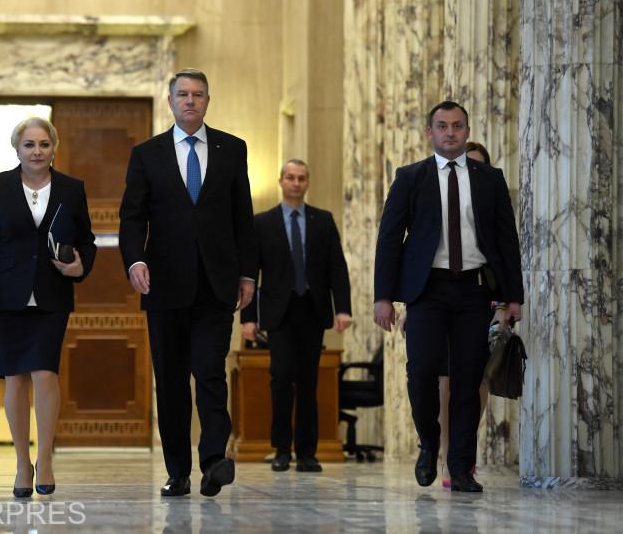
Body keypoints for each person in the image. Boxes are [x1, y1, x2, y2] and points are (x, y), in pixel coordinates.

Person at [118, 68, 257, 497]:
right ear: (171, 101)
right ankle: (177, 471)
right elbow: (131, 217)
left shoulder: (233, 148)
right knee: (172, 380)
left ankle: (214, 461)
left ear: (208, 101)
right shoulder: (147, 154)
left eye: (198, 94)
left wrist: (247, 273)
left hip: (216, 284)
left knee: (211, 372)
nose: (190, 101)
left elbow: (242, 216)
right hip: (164, 285)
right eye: (183, 94)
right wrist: (134, 260)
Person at [373, 101, 523, 493]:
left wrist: (513, 297)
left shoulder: (489, 179)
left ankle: (460, 467)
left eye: (457, 126)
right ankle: (428, 442)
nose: (450, 133)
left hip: (474, 290)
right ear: (430, 132)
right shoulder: (410, 177)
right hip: (427, 290)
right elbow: (389, 239)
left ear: (466, 131)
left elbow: (507, 241)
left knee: (468, 379)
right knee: (422, 371)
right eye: (442, 126)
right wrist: (383, 296)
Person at [0, 117, 97, 498]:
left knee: (44, 372)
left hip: (52, 293)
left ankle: (45, 457)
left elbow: (87, 241)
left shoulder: (72, 188)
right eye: (29, 145)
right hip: (6, 295)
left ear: (54, 147)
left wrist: (80, 266)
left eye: (44, 144)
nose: (37, 151)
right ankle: (22, 463)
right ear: (17, 149)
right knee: (15, 378)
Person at [241, 159, 352, 473]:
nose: (296, 183)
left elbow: (337, 267)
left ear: (307, 183)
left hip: (312, 310)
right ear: (281, 181)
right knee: (280, 378)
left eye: (301, 178)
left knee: (308, 381)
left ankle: (307, 453)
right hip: (278, 312)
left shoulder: (323, 220)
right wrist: (248, 318)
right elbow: (250, 272)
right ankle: (280, 449)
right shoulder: (262, 222)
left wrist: (343, 308)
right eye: (290, 177)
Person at [397, 140, 495, 487]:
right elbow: (412, 248)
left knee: (473, 380)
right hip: (434, 297)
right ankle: (440, 447)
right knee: (436, 377)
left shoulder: (490, 192)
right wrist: (407, 304)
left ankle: (460, 458)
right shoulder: (425, 186)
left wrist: (505, 301)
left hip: (479, 296)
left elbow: (503, 246)